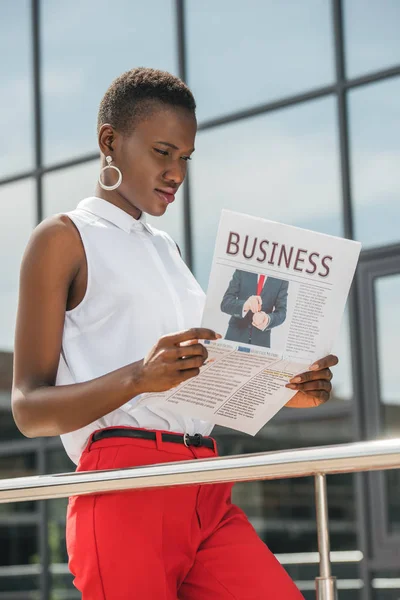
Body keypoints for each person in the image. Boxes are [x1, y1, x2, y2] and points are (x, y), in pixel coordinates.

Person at [12, 67, 338, 600]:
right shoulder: (62, 239)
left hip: (204, 482)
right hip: (125, 487)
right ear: (109, 141)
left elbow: (192, 385)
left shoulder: (168, 251)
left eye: (185, 157)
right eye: (163, 152)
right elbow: (28, 409)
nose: (176, 172)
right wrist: (138, 378)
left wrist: (284, 389)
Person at [221, 269, 288, 347]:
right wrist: (245, 305)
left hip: (261, 342)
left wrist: (267, 319)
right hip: (234, 336)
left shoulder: (282, 280)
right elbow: (225, 303)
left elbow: (282, 312)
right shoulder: (242, 270)